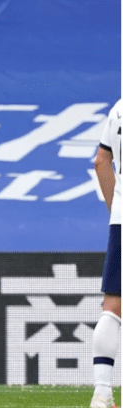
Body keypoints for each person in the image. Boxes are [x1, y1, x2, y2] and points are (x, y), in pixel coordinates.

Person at [90, 99, 121, 408]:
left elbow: (101, 161)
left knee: (113, 306)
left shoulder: (119, 108)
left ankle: (102, 392)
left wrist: (116, 210)